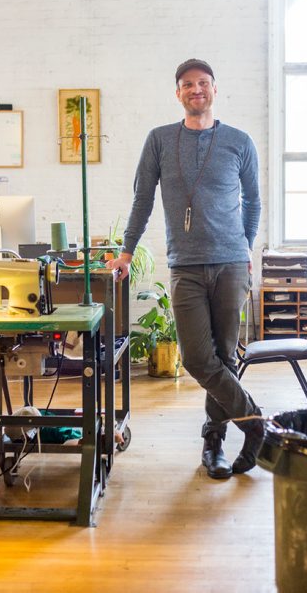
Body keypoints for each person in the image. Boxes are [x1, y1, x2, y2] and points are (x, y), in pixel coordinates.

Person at [106, 58, 263, 479]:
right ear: (178, 93)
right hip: (186, 266)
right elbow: (142, 200)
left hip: (231, 263)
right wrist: (126, 251)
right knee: (197, 357)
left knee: (225, 358)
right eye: (188, 84)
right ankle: (255, 421)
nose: (197, 89)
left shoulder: (239, 141)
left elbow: (254, 203)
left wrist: (245, 247)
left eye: (204, 83)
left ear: (215, 89)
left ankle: (214, 445)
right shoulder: (159, 140)